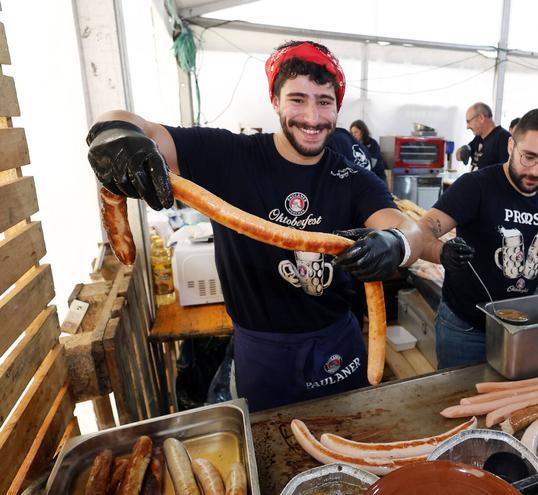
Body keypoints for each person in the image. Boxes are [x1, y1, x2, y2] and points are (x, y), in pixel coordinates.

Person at [86, 40, 423, 411]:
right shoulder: (229, 155)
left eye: (324, 102)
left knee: (349, 437)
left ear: (337, 108)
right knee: (267, 453)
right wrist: (115, 133)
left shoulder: (353, 178)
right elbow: (139, 125)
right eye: (297, 99)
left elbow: (409, 228)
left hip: (336, 346)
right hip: (261, 352)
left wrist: (395, 243)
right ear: (275, 101)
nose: (312, 117)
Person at [418, 108, 538, 369]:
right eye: (528, 157)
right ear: (511, 145)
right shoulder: (476, 186)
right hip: (465, 329)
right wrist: (441, 252)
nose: (535, 170)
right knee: (460, 403)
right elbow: (422, 230)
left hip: (520, 327)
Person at [455, 102, 511, 171]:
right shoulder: (478, 138)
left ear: (481, 118)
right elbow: (459, 156)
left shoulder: (503, 138)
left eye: (468, 121)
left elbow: (506, 173)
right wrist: (462, 152)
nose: (467, 127)